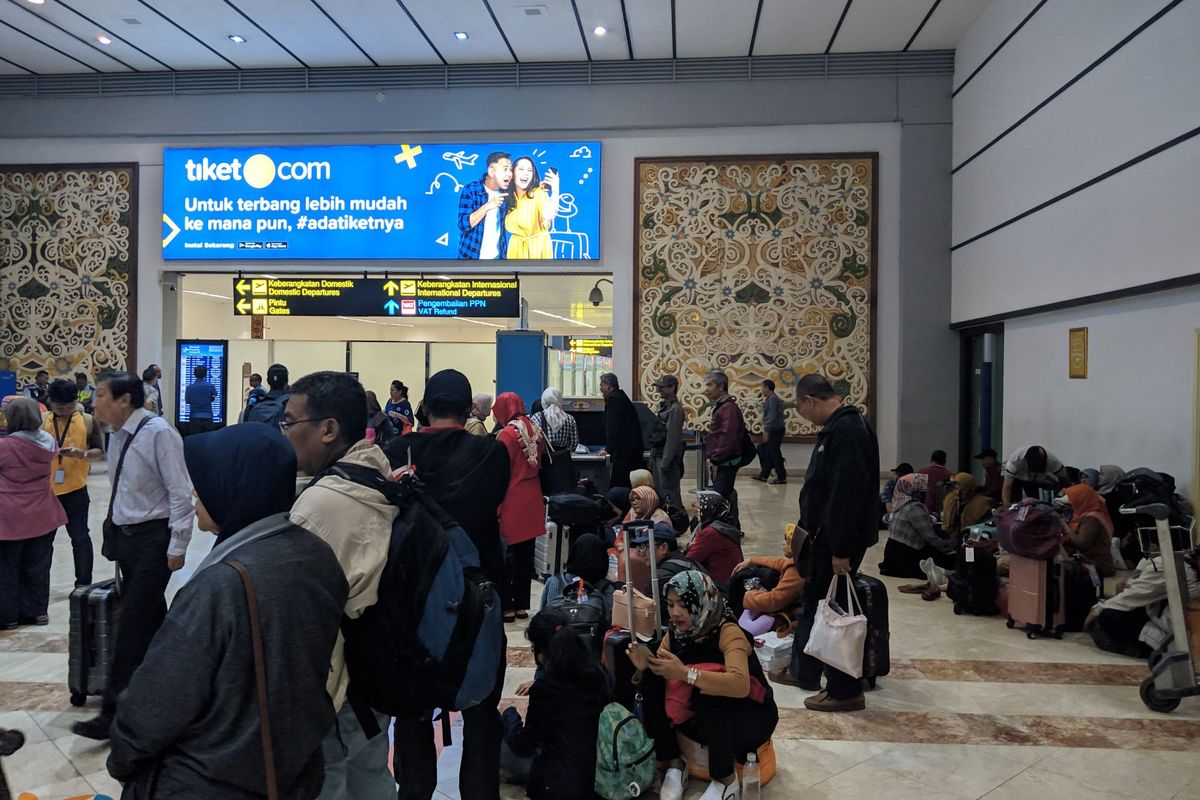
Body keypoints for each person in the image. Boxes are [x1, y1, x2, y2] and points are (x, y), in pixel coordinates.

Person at [107, 424, 348, 798]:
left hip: (211, 779)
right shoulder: (316, 554)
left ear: (235, 486)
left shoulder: (221, 585)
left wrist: (123, 757)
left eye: (202, 483)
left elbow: (157, 702)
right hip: (293, 768)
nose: (192, 495)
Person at [382, 369, 510, 800]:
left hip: (411, 600)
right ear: (468, 406)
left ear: (425, 405)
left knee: (413, 711)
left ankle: (414, 791)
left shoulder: (397, 450)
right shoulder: (491, 455)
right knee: (481, 710)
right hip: (479, 597)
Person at [283, 371, 398, 800]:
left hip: (337, 686)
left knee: (329, 779)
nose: (285, 434)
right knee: (370, 773)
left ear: (329, 429)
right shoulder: (376, 473)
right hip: (376, 671)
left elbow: (304, 613)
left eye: (291, 423)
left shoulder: (319, 505)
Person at [73, 372, 195, 740]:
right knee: (152, 621)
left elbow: (180, 492)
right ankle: (178, 689)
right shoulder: (117, 435)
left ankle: (112, 714)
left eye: (101, 395)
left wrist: (178, 545)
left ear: (125, 400)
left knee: (131, 627)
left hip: (153, 542)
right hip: (127, 541)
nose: (94, 402)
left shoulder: (159, 433)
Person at [628, 570, 777, 800]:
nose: (676, 612)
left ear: (701, 602)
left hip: (747, 715)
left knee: (710, 694)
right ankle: (675, 763)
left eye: (683, 604)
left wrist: (686, 673)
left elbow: (740, 685)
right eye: (670, 604)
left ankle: (725, 780)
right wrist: (644, 666)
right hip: (700, 718)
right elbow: (664, 665)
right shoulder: (678, 633)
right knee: (652, 680)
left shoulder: (728, 632)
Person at [785, 373, 879, 712]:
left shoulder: (847, 431)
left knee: (836, 614)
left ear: (810, 399)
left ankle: (844, 690)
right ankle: (807, 671)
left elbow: (847, 496)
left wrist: (841, 550)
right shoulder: (840, 428)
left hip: (836, 542)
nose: (804, 416)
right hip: (825, 538)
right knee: (817, 603)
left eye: (801, 409)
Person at [501, 607, 610, 799]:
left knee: (498, 734)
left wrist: (510, 717)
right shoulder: (597, 670)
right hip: (602, 766)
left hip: (563, 779)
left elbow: (526, 743)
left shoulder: (546, 687)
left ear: (541, 649)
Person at [0, 398, 67, 630]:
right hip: (44, 511)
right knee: (38, 564)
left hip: (9, 515)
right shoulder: (48, 441)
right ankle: (37, 612)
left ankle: (7, 617)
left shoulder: (5, 446)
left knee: (7, 566)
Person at [41, 378, 104, 588]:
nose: (64, 410)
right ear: (50, 401)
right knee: (43, 543)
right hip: (45, 492)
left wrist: (82, 454)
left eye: (68, 406)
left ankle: (83, 584)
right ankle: (40, 589)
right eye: (59, 406)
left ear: (75, 401)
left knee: (80, 538)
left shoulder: (87, 420)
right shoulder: (41, 421)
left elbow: (99, 453)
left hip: (76, 489)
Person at [1084, 548, 1199, 658]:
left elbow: (1130, 598)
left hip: (1181, 636)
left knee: (1108, 616)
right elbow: (1134, 590)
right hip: (1178, 625)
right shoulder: (1181, 561)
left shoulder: (1167, 564)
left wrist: (1096, 610)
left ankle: (1156, 649)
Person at [495, 391, 547, 623]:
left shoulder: (506, 434)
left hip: (511, 499)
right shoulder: (536, 429)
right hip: (533, 498)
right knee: (526, 556)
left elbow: (499, 470)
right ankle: (522, 606)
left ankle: (507, 606)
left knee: (508, 557)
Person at [731, 525, 806, 641]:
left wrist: (749, 595)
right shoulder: (799, 561)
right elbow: (779, 563)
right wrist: (752, 560)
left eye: (787, 541)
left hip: (794, 616)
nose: (783, 543)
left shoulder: (795, 572)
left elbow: (773, 601)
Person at [878, 473, 957, 580]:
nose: (926, 491)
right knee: (947, 561)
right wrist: (950, 551)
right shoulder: (913, 508)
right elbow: (930, 537)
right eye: (923, 489)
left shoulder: (900, 504)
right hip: (905, 558)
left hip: (893, 554)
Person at [703, 370, 748, 526]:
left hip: (726, 462)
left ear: (721, 386)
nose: (706, 389)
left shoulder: (728, 408)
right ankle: (733, 527)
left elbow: (728, 437)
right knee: (728, 494)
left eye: (710, 385)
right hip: (723, 460)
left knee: (716, 498)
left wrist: (715, 458)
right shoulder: (723, 406)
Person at [539, 533, 614, 615]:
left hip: (558, 626)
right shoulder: (607, 588)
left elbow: (542, 614)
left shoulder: (555, 581)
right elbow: (609, 618)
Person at [458, 150, 513, 259]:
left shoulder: (506, 193)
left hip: (497, 261)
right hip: (470, 259)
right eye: (505, 169)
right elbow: (463, 225)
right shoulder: (471, 190)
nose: (509, 174)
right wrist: (488, 205)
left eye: (510, 169)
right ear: (491, 172)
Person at [505, 156, 559, 259]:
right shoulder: (508, 197)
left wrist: (555, 190)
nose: (525, 173)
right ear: (513, 173)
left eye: (529, 170)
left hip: (538, 250)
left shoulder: (538, 192)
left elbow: (549, 215)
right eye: (521, 169)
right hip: (515, 250)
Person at [685, 490, 744, 584]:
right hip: (729, 580)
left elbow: (691, 559)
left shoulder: (710, 533)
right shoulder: (721, 524)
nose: (695, 509)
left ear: (710, 509)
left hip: (719, 584)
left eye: (700, 506)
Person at [1059, 484, 1117, 576]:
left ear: (1081, 499)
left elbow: (1082, 543)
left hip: (1097, 566)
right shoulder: (1080, 515)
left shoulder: (1092, 518)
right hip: (1087, 561)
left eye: (1073, 498)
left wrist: (1063, 525)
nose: (1070, 501)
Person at [599, 372, 644, 490]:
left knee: (618, 487)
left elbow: (613, 426)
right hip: (633, 450)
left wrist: (608, 448)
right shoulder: (622, 397)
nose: (600, 389)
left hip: (624, 452)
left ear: (608, 385)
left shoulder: (613, 399)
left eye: (601, 385)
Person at [649, 374, 685, 507]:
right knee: (661, 491)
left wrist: (666, 461)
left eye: (662, 387)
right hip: (659, 454)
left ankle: (676, 521)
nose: (659, 390)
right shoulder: (666, 406)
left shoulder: (675, 409)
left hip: (667, 458)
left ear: (672, 388)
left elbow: (672, 438)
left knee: (669, 493)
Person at [1001, 444, 1067, 505]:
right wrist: (1007, 508)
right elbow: (1007, 487)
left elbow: (1065, 481)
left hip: (1038, 480)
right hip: (1017, 476)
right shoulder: (1015, 460)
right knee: (1014, 498)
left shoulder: (1054, 462)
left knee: (1036, 502)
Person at [752, 379, 786, 485]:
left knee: (773, 452)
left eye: (762, 387)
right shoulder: (770, 399)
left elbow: (772, 416)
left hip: (774, 430)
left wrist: (766, 430)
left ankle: (781, 477)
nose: (762, 390)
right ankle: (764, 474)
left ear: (767, 387)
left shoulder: (773, 399)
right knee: (764, 449)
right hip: (773, 429)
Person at [531, 386, 578, 452]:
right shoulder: (570, 419)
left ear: (544, 399)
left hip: (545, 457)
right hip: (564, 457)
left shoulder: (537, 417)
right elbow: (574, 444)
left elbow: (532, 442)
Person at [185, 365, 217, 437]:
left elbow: (188, 401)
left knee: (195, 440)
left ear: (194, 374)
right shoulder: (210, 386)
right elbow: (214, 396)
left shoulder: (189, 388)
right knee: (209, 440)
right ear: (205, 374)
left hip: (194, 417)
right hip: (208, 417)